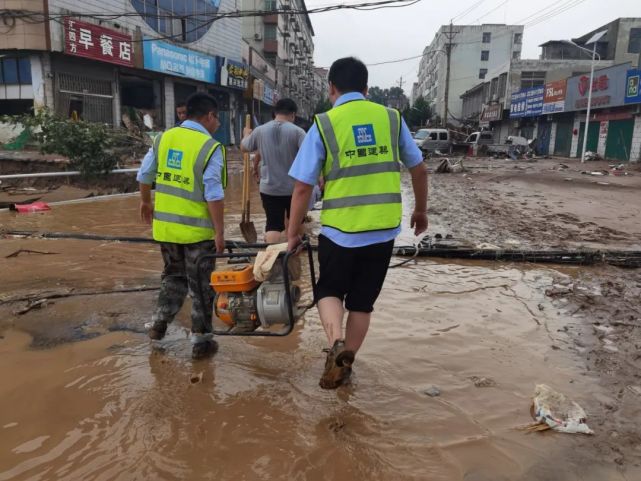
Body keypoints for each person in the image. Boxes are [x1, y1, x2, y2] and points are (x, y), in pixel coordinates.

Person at [287, 57, 428, 389]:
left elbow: (302, 187)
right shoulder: (392, 118)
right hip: (382, 231)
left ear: (331, 88)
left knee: (329, 290)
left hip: (340, 231)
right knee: (362, 303)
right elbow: (419, 169)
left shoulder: (324, 123)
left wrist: (293, 234)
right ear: (366, 89)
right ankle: (347, 360)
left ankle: (335, 343)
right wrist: (420, 211)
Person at [137, 92, 227, 360]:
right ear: (209, 116)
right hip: (197, 233)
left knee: (173, 277)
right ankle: (201, 341)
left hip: (165, 230)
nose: (218, 125)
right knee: (200, 286)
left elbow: (144, 175)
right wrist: (220, 232)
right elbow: (214, 194)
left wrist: (145, 202)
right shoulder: (211, 147)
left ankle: (158, 324)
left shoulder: (163, 138)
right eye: (217, 119)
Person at [241, 98, 306, 243]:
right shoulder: (298, 132)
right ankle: (294, 257)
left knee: (273, 225)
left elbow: (244, 147)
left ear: (275, 112)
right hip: (294, 189)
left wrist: (246, 134)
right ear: (293, 114)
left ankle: (274, 261)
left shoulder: (260, 131)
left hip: (269, 189)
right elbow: (309, 157)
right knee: (297, 223)